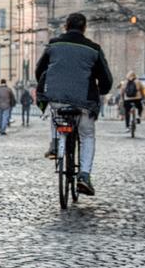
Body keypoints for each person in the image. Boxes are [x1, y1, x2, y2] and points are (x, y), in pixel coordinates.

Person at [37, 12, 114, 196]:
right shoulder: (93, 49)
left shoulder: (53, 45)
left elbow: (39, 70)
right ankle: (84, 176)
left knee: (56, 113)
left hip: (57, 97)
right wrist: (101, 90)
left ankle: (56, 144)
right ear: (84, 28)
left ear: (65, 26)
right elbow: (106, 79)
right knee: (87, 135)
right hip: (84, 101)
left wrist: (48, 87)